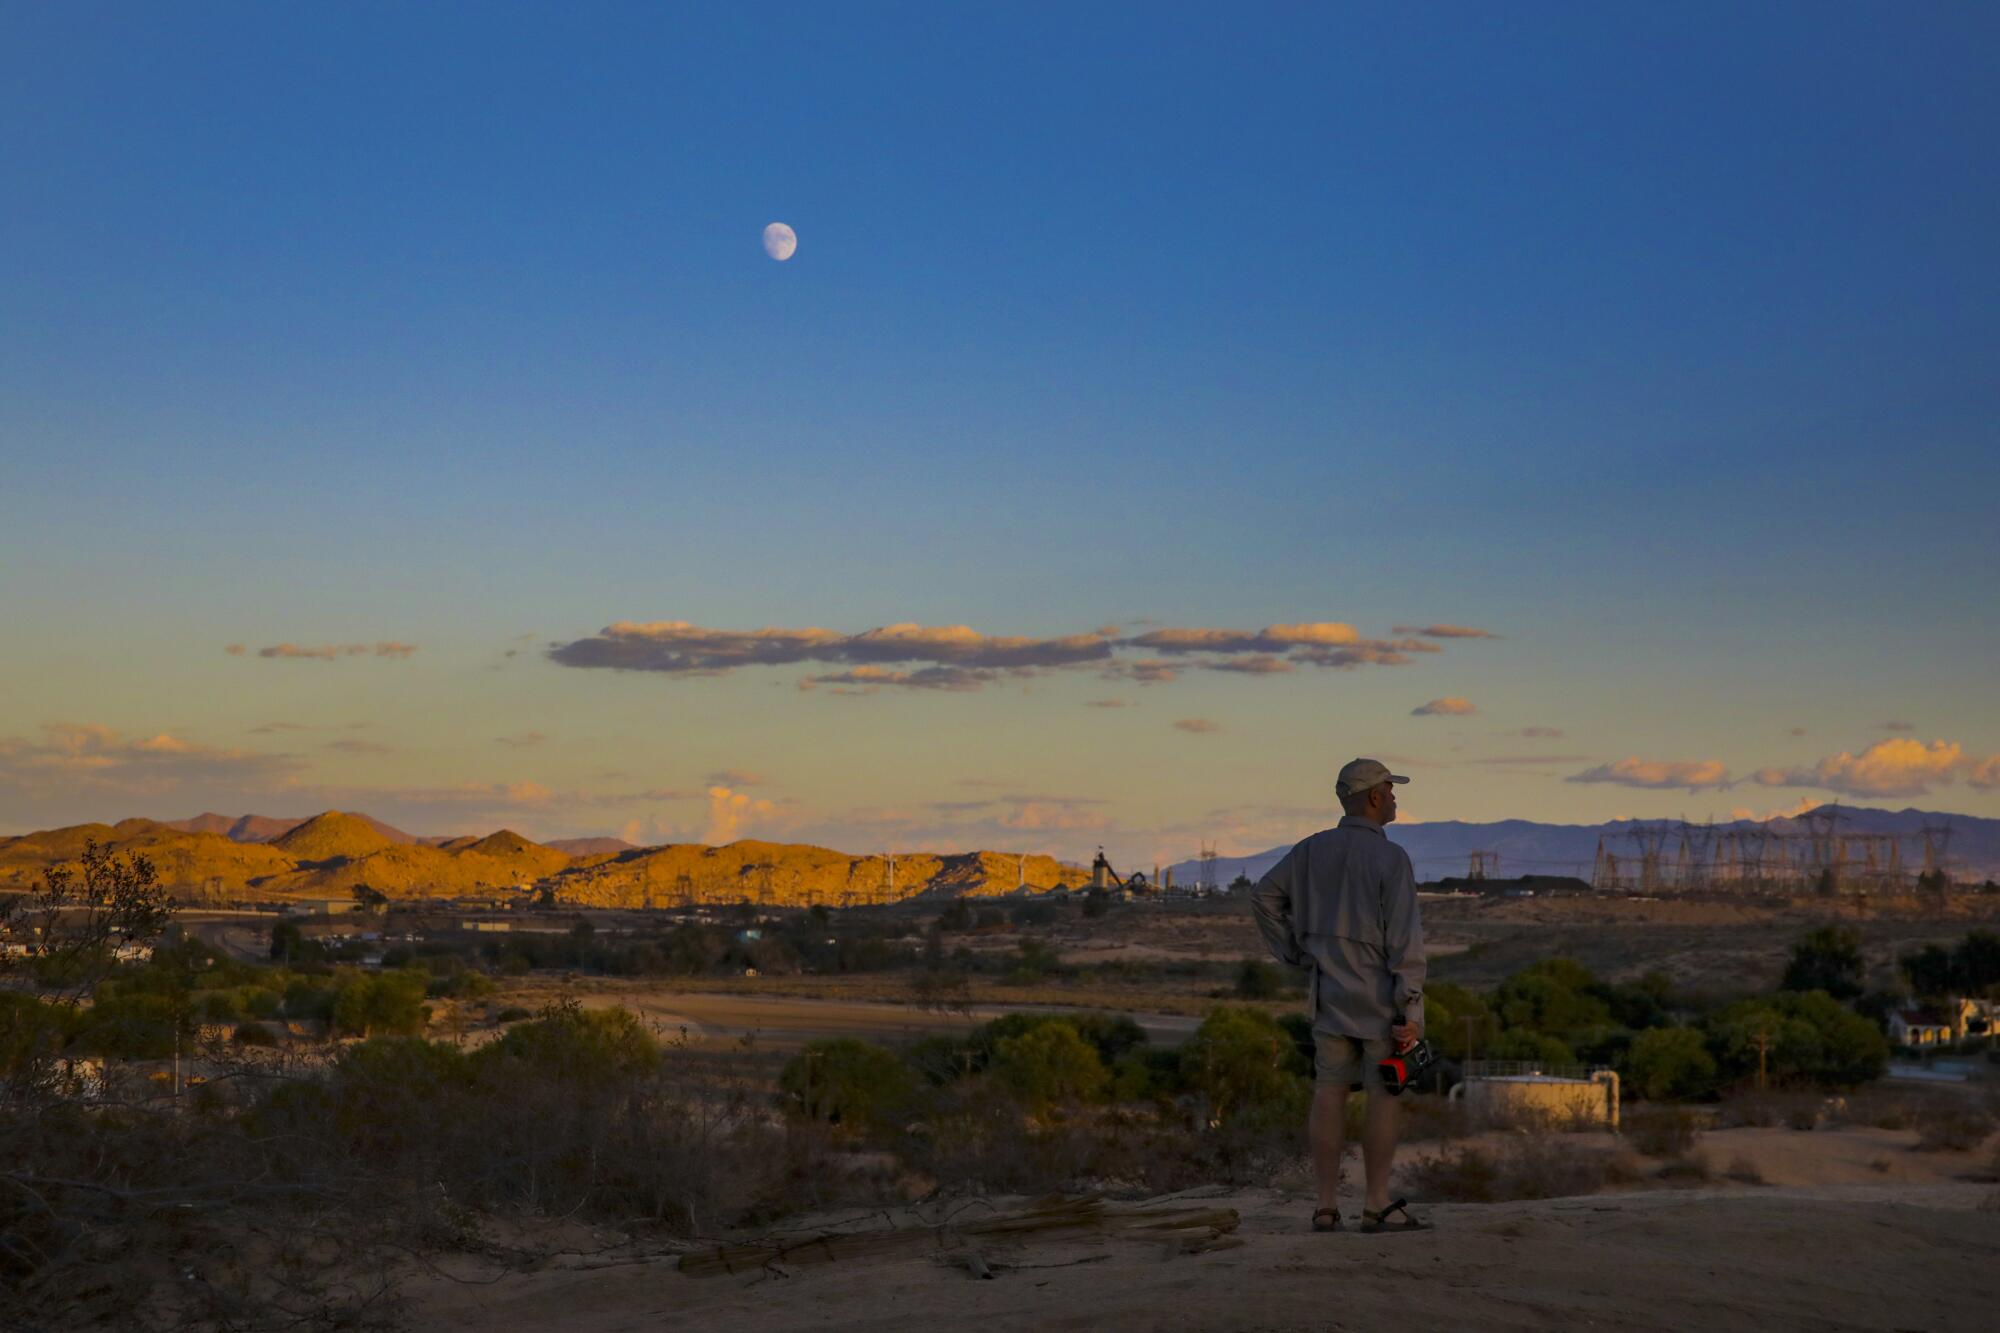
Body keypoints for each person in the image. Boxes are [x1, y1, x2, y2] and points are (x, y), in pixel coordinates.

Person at [1250, 757, 1429, 1234]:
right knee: (1383, 1096)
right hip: (1381, 1003)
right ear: (1373, 797)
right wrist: (1411, 1008)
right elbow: (1406, 943)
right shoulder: (1392, 859)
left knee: (1328, 1092)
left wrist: (1295, 952)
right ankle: (1376, 1203)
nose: (1395, 799)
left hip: (1327, 996)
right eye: (1391, 791)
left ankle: (1326, 1206)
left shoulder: (1310, 851)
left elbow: (1263, 896)